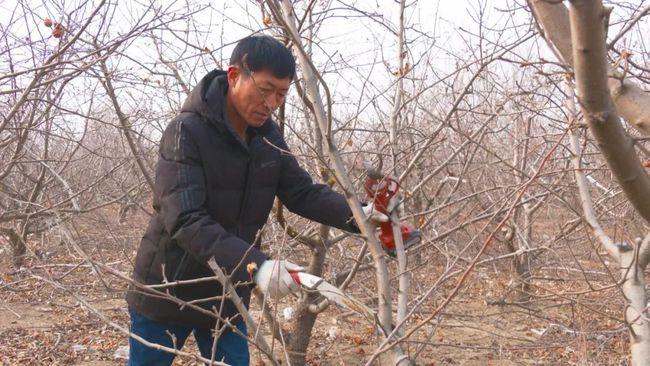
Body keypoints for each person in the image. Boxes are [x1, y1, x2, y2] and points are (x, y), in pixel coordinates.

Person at [125, 35, 386, 365]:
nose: (272, 102)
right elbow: (186, 219)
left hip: (227, 293)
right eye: (265, 90)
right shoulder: (185, 132)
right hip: (168, 288)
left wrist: (359, 215)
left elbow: (301, 192)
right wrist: (256, 265)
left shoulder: (267, 138)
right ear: (234, 76)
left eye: (281, 93)